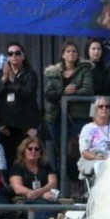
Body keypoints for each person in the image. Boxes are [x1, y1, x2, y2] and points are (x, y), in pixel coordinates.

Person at [43, 41, 94, 187]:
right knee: (59, 153)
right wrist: (63, 93)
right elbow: (48, 93)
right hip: (56, 117)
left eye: (74, 51)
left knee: (75, 152)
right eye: (68, 51)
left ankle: (78, 186)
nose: (71, 54)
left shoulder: (84, 70)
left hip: (77, 118)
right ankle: (61, 187)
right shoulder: (54, 73)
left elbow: (89, 89)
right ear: (63, 54)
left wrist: (74, 93)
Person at [0, 42, 41, 168]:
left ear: (23, 56)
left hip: (24, 125)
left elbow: (28, 92)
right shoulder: (3, 73)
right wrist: (4, 78)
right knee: (8, 157)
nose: (14, 56)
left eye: (17, 53)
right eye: (10, 53)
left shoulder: (30, 74)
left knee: (23, 157)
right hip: (6, 126)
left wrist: (11, 84)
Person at [8, 135, 59, 219]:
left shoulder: (46, 166)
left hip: (44, 200)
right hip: (22, 201)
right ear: (24, 151)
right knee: (38, 207)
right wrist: (41, 194)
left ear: (40, 152)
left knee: (49, 203)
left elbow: (53, 183)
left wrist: (41, 192)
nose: (33, 151)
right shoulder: (17, 167)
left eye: (37, 149)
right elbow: (18, 188)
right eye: (30, 148)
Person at [79, 96, 110, 162]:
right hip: (96, 161)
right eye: (100, 106)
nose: (104, 108)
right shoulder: (87, 128)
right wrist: (96, 158)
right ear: (96, 110)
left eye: (107, 106)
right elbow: (84, 152)